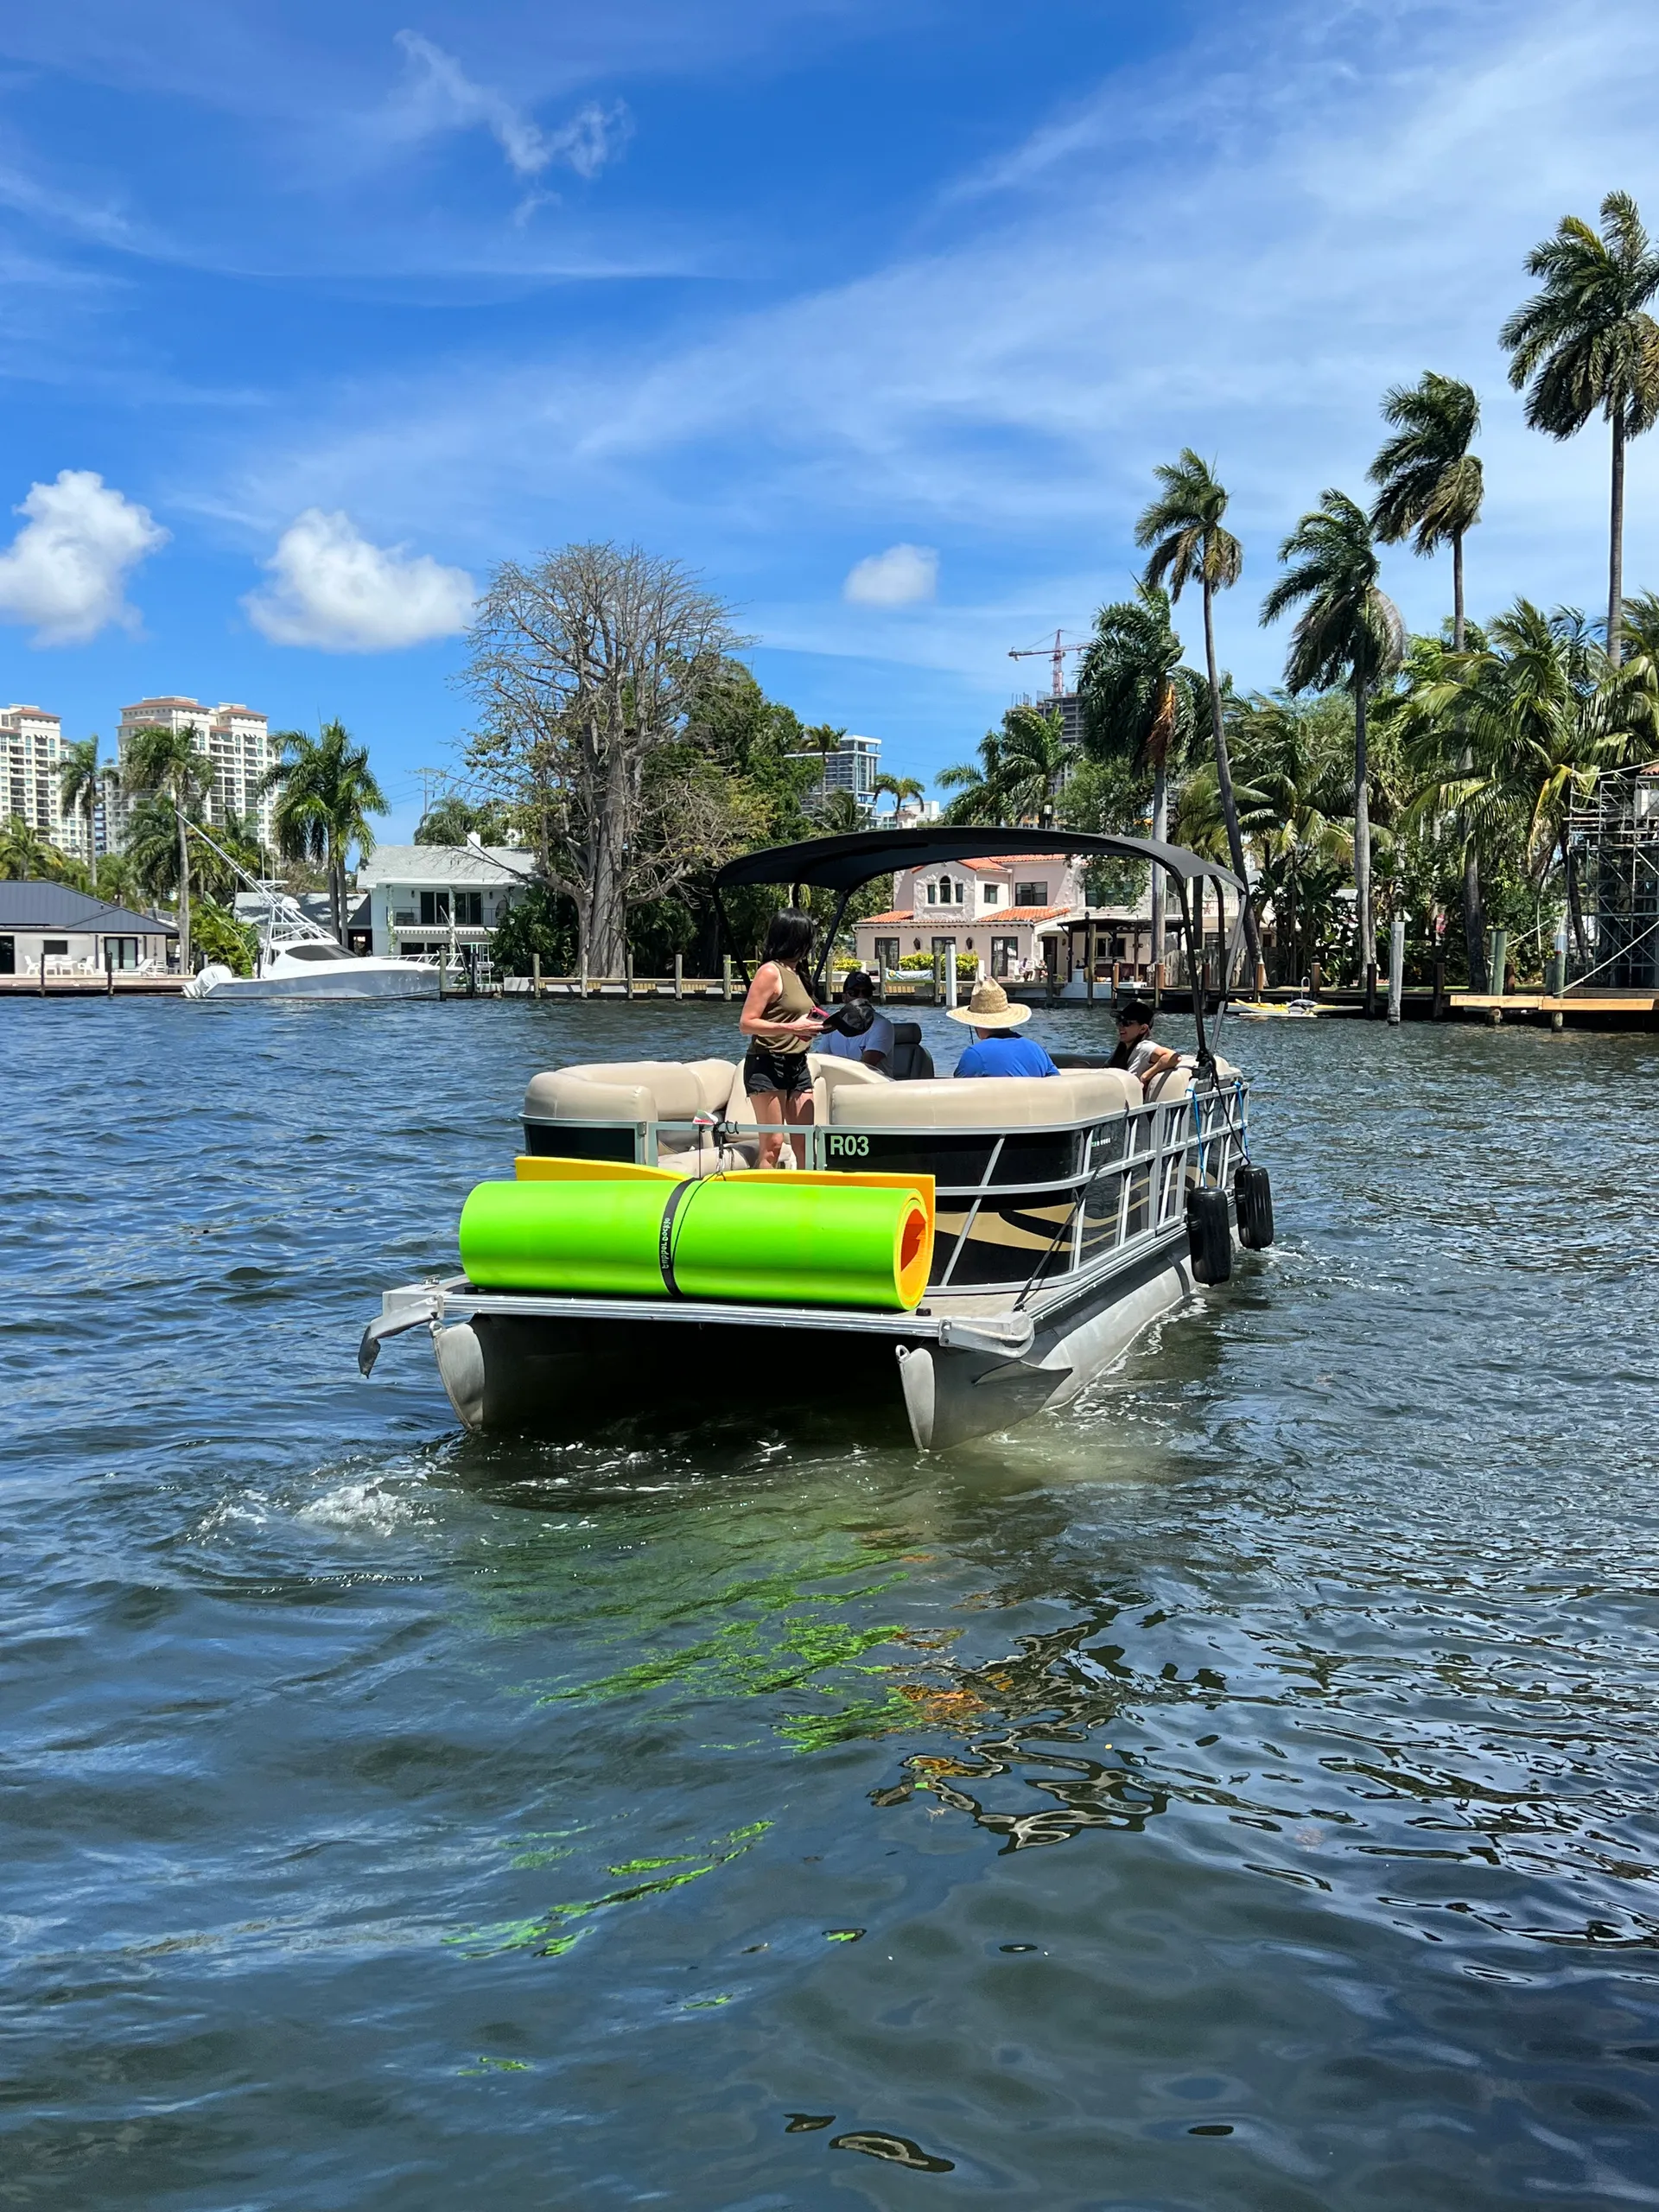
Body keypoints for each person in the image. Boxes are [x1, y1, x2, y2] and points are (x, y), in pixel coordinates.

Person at [738, 910, 823, 1165]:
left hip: (797, 1064)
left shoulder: (798, 973)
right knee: (773, 1145)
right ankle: (762, 1201)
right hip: (767, 1063)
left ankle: (809, 1198)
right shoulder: (770, 972)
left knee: (805, 1142)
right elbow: (746, 1023)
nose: (810, 945)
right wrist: (792, 1029)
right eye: (807, 938)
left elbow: (796, 1018)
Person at [948, 977, 1060, 1077]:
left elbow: (957, 1093)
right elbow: (1056, 1083)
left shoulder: (975, 1055)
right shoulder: (1037, 1049)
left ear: (975, 1022)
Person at [816, 970, 893, 1074]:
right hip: (840, 1086)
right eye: (854, 993)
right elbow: (819, 1057)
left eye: (866, 993)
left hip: (874, 1087)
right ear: (844, 997)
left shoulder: (882, 1025)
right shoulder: (834, 1025)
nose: (860, 997)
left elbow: (866, 1068)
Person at [1108, 997, 1180, 1085]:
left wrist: (1145, 1076)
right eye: (1119, 1021)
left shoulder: (1145, 1047)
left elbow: (1174, 1057)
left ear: (1143, 1029)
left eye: (1127, 1023)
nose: (1121, 1026)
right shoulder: (1122, 1050)